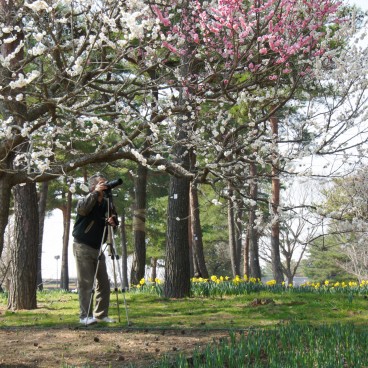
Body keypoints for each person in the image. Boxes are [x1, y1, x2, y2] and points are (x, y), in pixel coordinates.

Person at [72, 173, 118, 325]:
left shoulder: (107, 203)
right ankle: (84, 316)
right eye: (101, 184)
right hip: (82, 246)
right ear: (93, 186)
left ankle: (101, 314)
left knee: (104, 283)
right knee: (86, 282)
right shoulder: (85, 200)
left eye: (105, 184)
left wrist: (113, 221)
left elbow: (114, 222)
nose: (105, 186)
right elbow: (83, 210)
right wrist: (95, 193)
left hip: (98, 248)